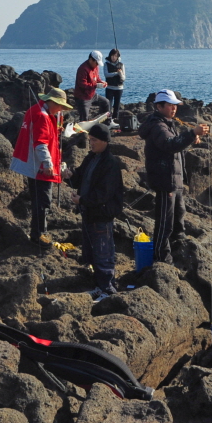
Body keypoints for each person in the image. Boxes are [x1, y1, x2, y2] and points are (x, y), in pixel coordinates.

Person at [138, 89, 209, 264]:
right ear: (159, 106)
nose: (174, 108)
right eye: (170, 105)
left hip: (174, 179)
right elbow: (170, 145)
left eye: (175, 105)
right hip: (165, 180)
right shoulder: (158, 125)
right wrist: (192, 133)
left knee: (179, 215)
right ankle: (162, 258)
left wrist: (190, 138)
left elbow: (174, 144)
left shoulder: (167, 123)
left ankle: (179, 249)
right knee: (165, 222)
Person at [10, 87, 73, 248]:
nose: (60, 110)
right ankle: (39, 235)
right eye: (59, 106)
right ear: (51, 102)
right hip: (39, 167)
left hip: (32, 163)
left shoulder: (34, 110)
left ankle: (37, 233)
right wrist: (48, 164)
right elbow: (41, 144)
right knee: (43, 201)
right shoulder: (42, 116)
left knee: (38, 200)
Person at [69, 123, 123, 299]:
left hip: (102, 213)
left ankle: (107, 289)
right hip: (89, 211)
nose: (90, 143)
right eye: (90, 140)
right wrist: (69, 175)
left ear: (105, 141)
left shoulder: (111, 163)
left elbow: (103, 193)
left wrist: (82, 200)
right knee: (92, 249)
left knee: (103, 251)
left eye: (94, 140)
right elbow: (79, 179)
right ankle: (99, 285)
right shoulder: (91, 158)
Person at [74, 50, 110, 122]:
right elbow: (82, 85)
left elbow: (97, 78)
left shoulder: (96, 67)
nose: (97, 65)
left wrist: (101, 82)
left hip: (92, 94)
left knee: (106, 102)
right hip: (83, 97)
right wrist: (96, 85)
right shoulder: (83, 69)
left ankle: (107, 122)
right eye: (96, 63)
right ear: (91, 60)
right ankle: (83, 131)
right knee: (84, 118)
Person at [103, 48, 126, 121]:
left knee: (117, 105)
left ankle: (115, 119)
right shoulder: (106, 64)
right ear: (110, 56)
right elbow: (106, 74)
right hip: (109, 87)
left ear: (118, 57)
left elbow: (123, 78)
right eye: (112, 55)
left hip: (119, 88)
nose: (113, 57)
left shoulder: (121, 65)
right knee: (108, 105)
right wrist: (116, 73)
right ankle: (108, 119)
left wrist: (120, 74)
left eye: (115, 56)